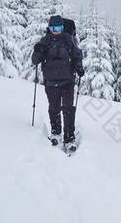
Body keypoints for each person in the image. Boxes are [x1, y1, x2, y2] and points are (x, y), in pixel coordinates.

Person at [32, 15, 84, 150]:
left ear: (62, 27)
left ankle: (69, 138)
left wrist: (79, 68)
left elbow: (76, 55)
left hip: (67, 81)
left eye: (59, 28)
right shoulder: (45, 41)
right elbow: (35, 61)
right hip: (51, 82)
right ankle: (56, 133)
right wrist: (37, 51)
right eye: (53, 28)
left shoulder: (68, 40)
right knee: (54, 108)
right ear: (49, 28)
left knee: (68, 109)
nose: (56, 30)